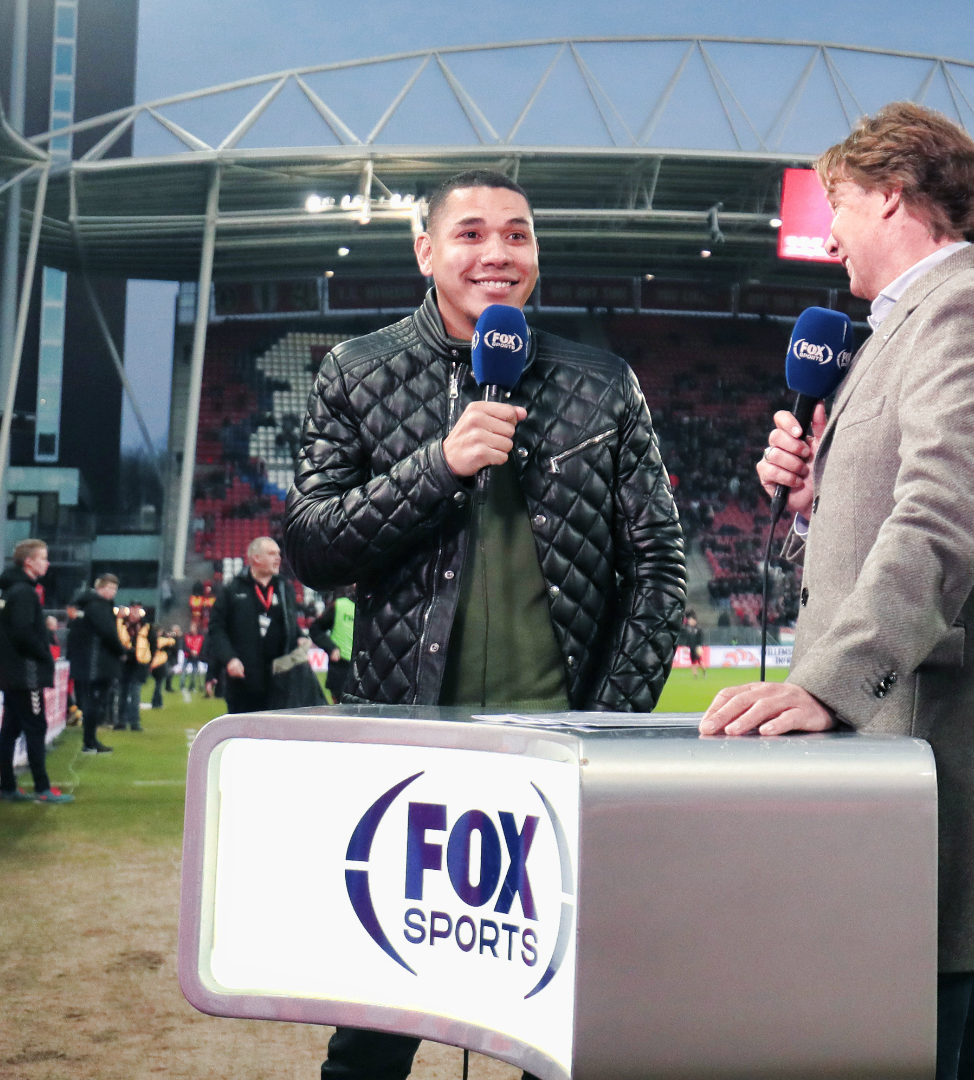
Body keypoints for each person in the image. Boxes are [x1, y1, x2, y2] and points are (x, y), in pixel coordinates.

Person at [704, 103, 974, 1080]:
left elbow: (943, 524)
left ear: (889, 195)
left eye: (837, 204)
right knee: (949, 1053)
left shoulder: (973, 311)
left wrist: (827, 685)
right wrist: (812, 503)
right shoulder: (903, 329)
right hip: (909, 751)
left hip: (932, 748)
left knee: (909, 1047)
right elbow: (888, 520)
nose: (829, 234)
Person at [283, 167, 685, 1080]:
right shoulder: (356, 372)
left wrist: (605, 726)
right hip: (409, 759)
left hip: (560, 760)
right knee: (373, 1029)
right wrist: (441, 463)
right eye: (470, 234)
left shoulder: (603, 383)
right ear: (426, 252)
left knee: (568, 1028)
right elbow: (311, 546)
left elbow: (659, 569)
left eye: (517, 233)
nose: (497, 252)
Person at [0, 540, 72, 803]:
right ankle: (42, 788)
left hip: (12, 672)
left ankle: (8, 787)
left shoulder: (11, 590)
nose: (47, 563)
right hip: (26, 674)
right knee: (35, 728)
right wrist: (44, 655)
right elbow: (23, 632)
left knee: (10, 729)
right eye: (43, 558)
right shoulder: (24, 593)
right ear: (29, 562)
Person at [203, 538, 300, 715]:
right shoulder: (232, 589)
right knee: (245, 731)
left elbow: (290, 626)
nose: (278, 558)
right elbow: (216, 629)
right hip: (242, 682)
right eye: (271, 554)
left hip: (279, 683)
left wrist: (300, 638)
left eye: (279, 554)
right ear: (256, 558)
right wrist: (229, 659)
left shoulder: (285, 589)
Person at [65, 573, 127, 753]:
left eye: (115, 588)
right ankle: (89, 741)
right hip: (96, 664)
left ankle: (90, 740)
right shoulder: (98, 607)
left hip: (88, 662)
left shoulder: (88, 605)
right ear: (100, 588)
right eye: (110, 588)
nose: (113, 592)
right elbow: (108, 633)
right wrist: (121, 651)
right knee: (94, 703)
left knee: (92, 702)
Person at [307, 589, 356, 704]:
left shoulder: (376, 607)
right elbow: (315, 629)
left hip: (364, 670)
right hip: (341, 668)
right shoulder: (339, 605)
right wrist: (331, 647)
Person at [117, 604, 158, 731]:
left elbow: (153, 645)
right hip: (124, 663)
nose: (135, 613)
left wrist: (149, 662)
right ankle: (121, 721)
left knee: (135, 693)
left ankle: (134, 722)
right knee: (123, 693)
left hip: (139, 664)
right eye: (133, 610)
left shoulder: (147, 627)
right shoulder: (121, 624)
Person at [680, 612, 707, 677]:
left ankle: (704, 671)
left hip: (697, 647)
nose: (690, 621)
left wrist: (700, 646)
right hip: (691, 647)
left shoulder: (698, 629)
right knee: (693, 662)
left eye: (691, 620)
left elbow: (700, 638)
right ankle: (695, 675)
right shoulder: (687, 629)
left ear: (694, 621)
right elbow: (686, 638)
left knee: (699, 661)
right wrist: (685, 646)